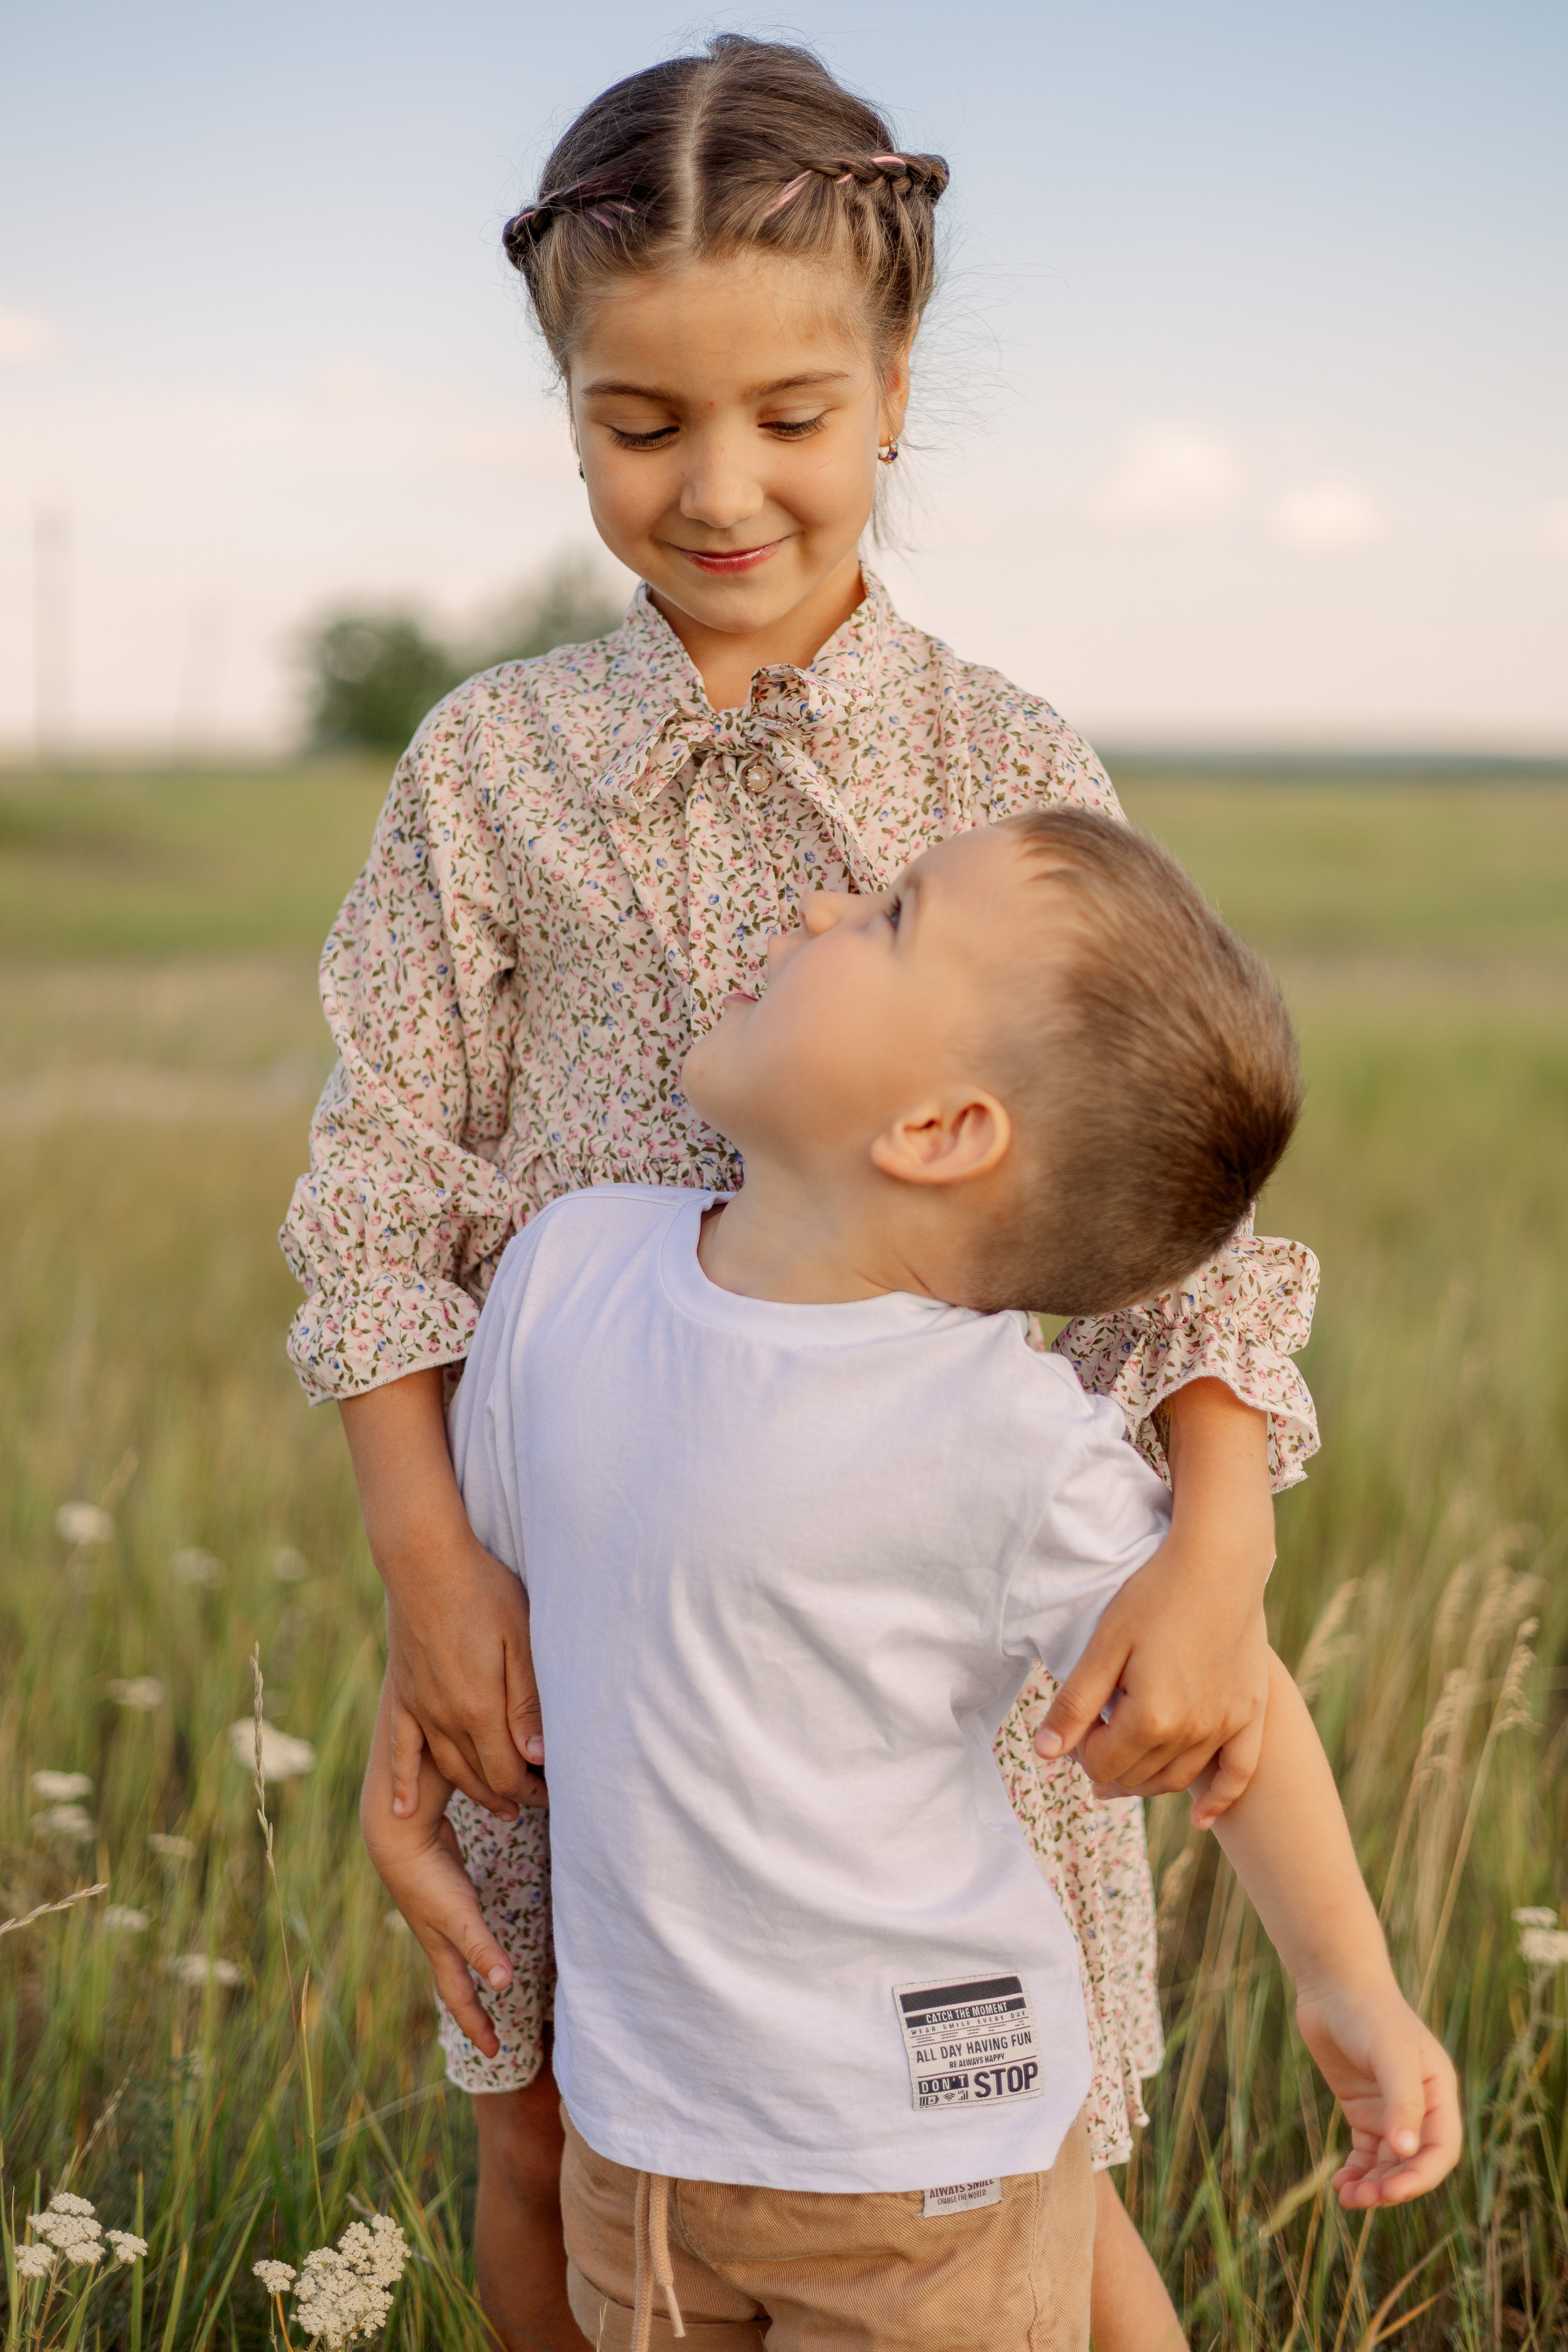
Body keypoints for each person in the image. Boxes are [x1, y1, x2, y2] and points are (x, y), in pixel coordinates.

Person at [282, 36, 1318, 2351]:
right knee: (552, 2120)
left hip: (906, 1634)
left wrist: (1221, 1544)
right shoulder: (492, 765)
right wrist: (432, 1577)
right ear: (568, 405)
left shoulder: (1003, 763)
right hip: (576, 1624)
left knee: (1015, 2163)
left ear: (896, 389)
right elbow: (379, 1195)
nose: (720, 486)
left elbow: (1181, 1219)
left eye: (792, 414)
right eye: (640, 423)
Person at [361, 810, 1461, 2352]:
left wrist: (1349, 1988)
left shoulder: (1000, 1433)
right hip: (641, 2140)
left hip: (926, 2173)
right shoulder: (566, 1271)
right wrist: (404, 1745)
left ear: (938, 1131)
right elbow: (490, 1605)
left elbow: (1231, 1701)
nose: (819, 903)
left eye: (886, 916)